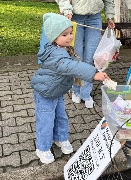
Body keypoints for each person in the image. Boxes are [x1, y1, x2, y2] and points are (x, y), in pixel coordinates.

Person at [31, 13, 110, 164]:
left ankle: (60, 138)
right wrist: (93, 73)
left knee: (61, 116)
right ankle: (42, 147)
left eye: (71, 32)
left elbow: (76, 61)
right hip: (45, 92)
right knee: (46, 120)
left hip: (57, 90)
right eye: (65, 34)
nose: (70, 37)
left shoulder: (64, 48)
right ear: (54, 37)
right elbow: (71, 66)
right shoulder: (56, 54)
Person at [55, 0, 115, 108]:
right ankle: (76, 91)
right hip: (75, 17)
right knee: (77, 58)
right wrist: (67, 10)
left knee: (90, 58)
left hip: (94, 18)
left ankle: (86, 93)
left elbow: (109, 1)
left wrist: (109, 16)